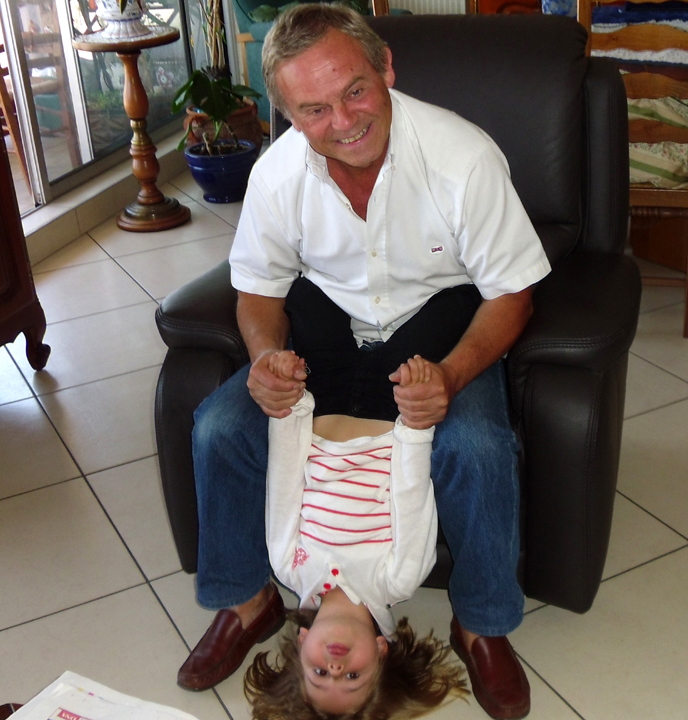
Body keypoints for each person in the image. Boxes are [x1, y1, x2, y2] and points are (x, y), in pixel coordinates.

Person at [176, 5, 550, 719]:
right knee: (220, 427)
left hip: (441, 325)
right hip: (326, 329)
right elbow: (258, 292)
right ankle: (247, 601)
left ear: (385, 70)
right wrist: (266, 360)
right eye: (313, 109)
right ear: (287, 114)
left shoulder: (462, 157)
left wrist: (451, 377)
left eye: (354, 91)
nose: (343, 121)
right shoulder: (277, 174)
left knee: (477, 445)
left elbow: (513, 294)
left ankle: (482, 624)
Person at [243, 356, 467, 718]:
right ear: (381, 651)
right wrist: (416, 424)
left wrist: (290, 406)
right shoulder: (398, 578)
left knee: (322, 324)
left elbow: (284, 483)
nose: (335, 668)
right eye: (353, 677)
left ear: (302, 644)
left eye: (319, 674)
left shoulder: (288, 567)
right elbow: (412, 495)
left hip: (323, 400)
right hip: (390, 407)